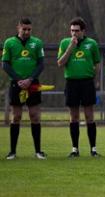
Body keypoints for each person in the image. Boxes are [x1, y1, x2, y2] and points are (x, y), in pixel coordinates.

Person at [57, 17, 102, 157]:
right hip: (71, 83)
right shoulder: (65, 43)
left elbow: (97, 63)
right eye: (72, 31)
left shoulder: (92, 43)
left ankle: (93, 149)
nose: (74, 33)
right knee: (74, 116)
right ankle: (75, 149)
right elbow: (60, 63)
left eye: (77, 31)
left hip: (87, 82)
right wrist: (71, 47)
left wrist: (94, 79)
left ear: (83, 31)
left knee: (89, 116)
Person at [3, 18, 46, 160]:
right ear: (18, 28)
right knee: (16, 117)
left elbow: (41, 64)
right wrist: (18, 80)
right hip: (16, 84)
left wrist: (30, 79)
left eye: (29, 29)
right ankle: (12, 152)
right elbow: (6, 65)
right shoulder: (9, 43)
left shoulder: (37, 43)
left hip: (32, 84)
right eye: (24, 29)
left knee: (35, 116)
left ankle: (38, 151)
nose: (27, 32)